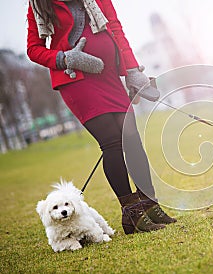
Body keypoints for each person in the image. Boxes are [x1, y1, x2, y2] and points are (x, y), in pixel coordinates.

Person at [26, 0, 176, 234]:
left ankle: (150, 205)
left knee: (132, 139)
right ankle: (133, 216)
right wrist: (64, 58)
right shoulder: (39, 4)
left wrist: (133, 71)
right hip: (75, 78)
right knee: (112, 142)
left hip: (108, 75)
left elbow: (115, 28)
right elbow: (33, 48)